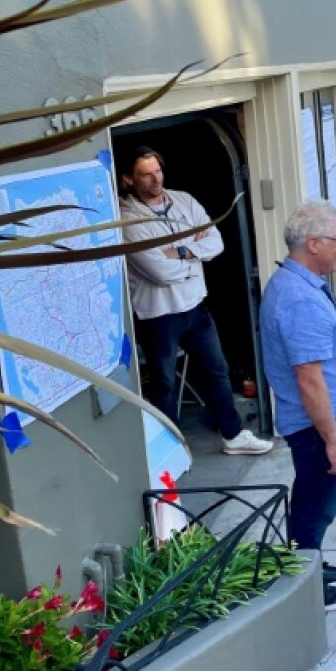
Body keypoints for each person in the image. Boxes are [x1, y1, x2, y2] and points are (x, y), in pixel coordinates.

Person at [120, 147, 273, 456]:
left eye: (158, 171)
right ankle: (170, 450)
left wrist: (178, 251)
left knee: (217, 370)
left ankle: (233, 435)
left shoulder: (184, 200)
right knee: (164, 385)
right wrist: (194, 250)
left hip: (196, 306)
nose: (156, 179)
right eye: (146, 174)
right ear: (128, 180)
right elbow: (159, 272)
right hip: (159, 315)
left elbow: (216, 242)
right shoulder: (125, 219)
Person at [259, 200, 336, 611]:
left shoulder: (298, 284)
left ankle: (312, 567)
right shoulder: (299, 300)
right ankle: (307, 592)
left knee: (315, 501)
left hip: (321, 421)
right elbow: (309, 380)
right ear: (314, 243)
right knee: (314, 507)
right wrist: (334, 442)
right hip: (318, 425)